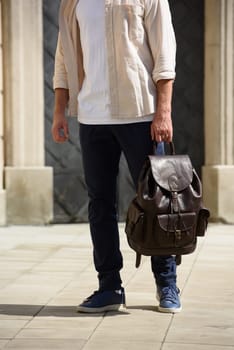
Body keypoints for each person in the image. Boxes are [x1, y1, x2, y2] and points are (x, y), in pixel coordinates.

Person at [52, 0, 181, 313]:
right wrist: (59, 109)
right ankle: (109, 286)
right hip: (92, 117)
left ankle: (166, 283)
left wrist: (163, 111)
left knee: (158, 201)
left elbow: (165, 53)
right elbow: (63, 57)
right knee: (100, 204)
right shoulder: (73, 3)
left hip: (140, 113)